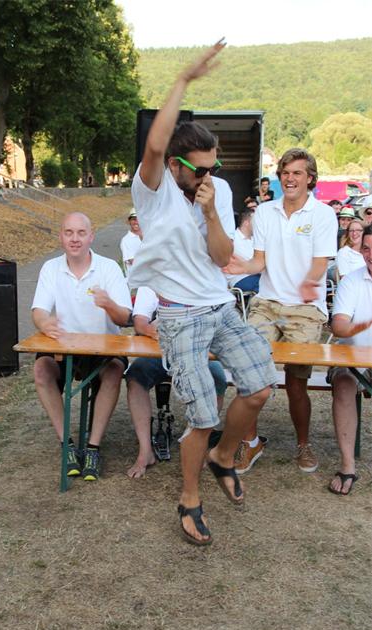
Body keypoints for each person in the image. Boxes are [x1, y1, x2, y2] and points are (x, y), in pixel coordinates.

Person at [128, 40, 277, 546]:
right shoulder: (153, 191)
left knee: (259, 386)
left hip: (219, 307)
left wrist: (212, 212)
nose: (209, 176)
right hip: (179, 317)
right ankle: (189, 499)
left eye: (215, 167)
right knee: (203, 414)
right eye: (200, 169)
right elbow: (153, 146)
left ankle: (223, 456)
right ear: (176, 165)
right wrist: (183, 80)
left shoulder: (216, 191)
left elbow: (221, 257)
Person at [226, 148, 338, 474]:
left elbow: (320, 263)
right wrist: (242, 266)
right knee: (250, 371)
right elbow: (259, 262)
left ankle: (303, 444)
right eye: (285, 173)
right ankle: (250, 442)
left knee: (296, 381)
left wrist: (311, 282)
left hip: (306, 309)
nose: (290, 179)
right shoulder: (264, 212)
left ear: (310, 179)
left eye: (297, 173)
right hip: (267, 303)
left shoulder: (323, 214)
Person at [32, 212, 132, 480]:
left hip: (104, 348)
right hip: (65, 348)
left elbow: (125, 317)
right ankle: (66, 444)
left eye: (80, 233)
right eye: (69, 232)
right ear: (61, 236)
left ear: (91, 236)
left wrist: (109, 304)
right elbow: (38, 310)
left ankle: (93, 447)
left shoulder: (109, 268)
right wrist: (44, 323)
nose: (74, 239)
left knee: (114, 370)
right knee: (41, 369)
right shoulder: (51, 268)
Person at [125, 286, 228, 478]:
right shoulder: (153, 279)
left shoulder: (204, 280)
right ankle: (145, 451)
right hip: (160, 350)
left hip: (198, 351)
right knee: (136, 376)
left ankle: (195, 444)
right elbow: (140, 322)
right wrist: (150, 330)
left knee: (217, 379)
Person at [328, 225, 372, 495]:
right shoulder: (351, 281)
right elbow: (339, 325)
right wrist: (354, 327)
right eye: (366, 249)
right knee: (343, 383)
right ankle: (347, 466)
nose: (371, 255)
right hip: (353, 357)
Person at [223, 208, 260, 293]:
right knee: (268, 286)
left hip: (256, 275)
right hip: (239, 278)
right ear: (246, 223)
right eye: (256, 221)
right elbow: (254, 261)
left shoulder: (255, 239)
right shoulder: (234, 239)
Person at [120, 208, 142, 280]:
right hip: (136, 282)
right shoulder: (126, 240)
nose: (136, 222)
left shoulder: (148, 236)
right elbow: (134, 262)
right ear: (129, 221)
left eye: (139, 219)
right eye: (134, 219)